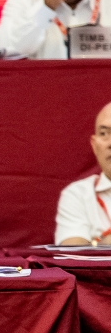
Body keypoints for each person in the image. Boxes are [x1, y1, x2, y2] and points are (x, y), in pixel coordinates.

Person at [55, 102, 111, 245]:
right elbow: (73, 255)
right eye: (104, 133)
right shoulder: (78, 194)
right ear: (94, 145)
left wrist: (97, 243)